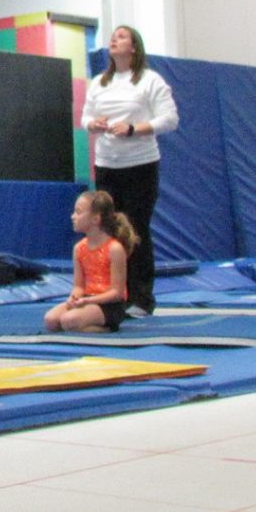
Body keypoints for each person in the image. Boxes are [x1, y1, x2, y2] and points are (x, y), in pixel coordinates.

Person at [82, 25, 178, 315]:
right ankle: (113, 294)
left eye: (121, 36)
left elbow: (170, 119)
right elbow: (85, 116)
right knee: (109, 231)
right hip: (107, 165)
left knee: (136, 229)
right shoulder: (99, 82)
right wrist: (93, 124)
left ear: (134, 47)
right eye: (113, 36)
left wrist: (134, 129)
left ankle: (141, 298)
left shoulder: (150, 80)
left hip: (140, 165)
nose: (114, 39)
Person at [45, 190, 137, 333]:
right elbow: (79, 286)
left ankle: (106, 328)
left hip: (110, 305)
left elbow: (117, 293)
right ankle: (83, 325)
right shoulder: (79, 248)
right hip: (87, 300)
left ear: (95, 219)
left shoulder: (114, 249)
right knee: (51, 320)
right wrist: (74, 297)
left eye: (78, 212)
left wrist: (89, 301)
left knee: (69, 320)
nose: (73, 216)